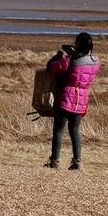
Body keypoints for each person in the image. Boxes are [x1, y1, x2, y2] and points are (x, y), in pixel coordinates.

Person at [44, 32, 100, 170]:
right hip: (82, 100)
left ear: (78, 44)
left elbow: (51, 67)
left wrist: (59, 56)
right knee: (75, 131)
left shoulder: (69, 60)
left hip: (65, 98)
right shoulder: (95, 62)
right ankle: (77, 161)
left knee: (58, 131)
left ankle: (55, 161)